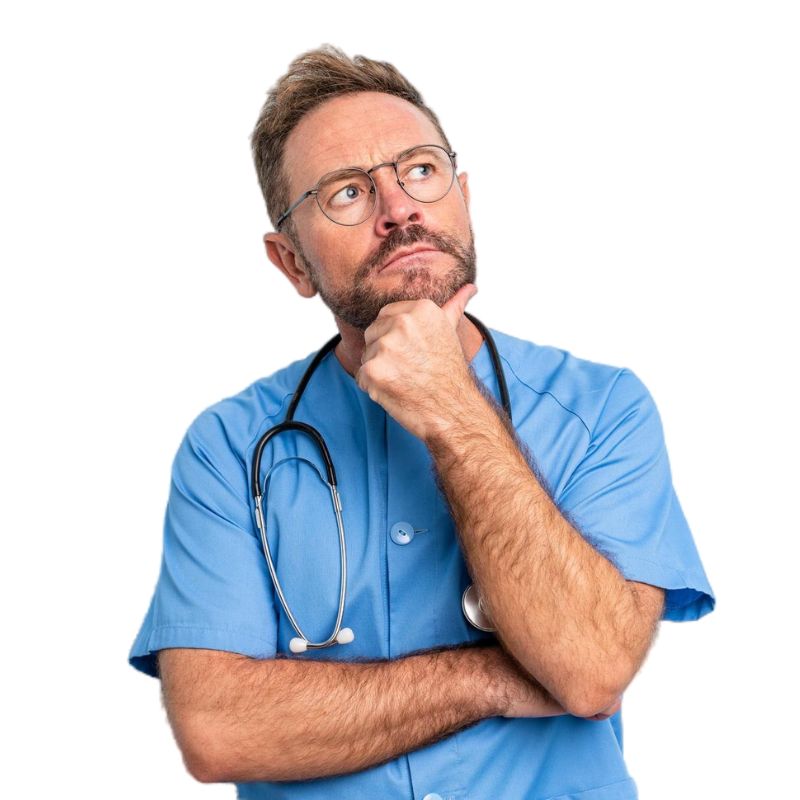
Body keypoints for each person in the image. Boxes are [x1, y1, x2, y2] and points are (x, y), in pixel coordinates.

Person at [128, 44, 716, 799]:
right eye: (346, 193)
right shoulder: (229, 449)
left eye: (421, 171)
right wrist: (493, 680)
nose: (399, 208)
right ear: (292, 263)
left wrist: (449, 408)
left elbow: (591, 668)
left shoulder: (604, 410)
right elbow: (218, 730)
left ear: (462, 196)